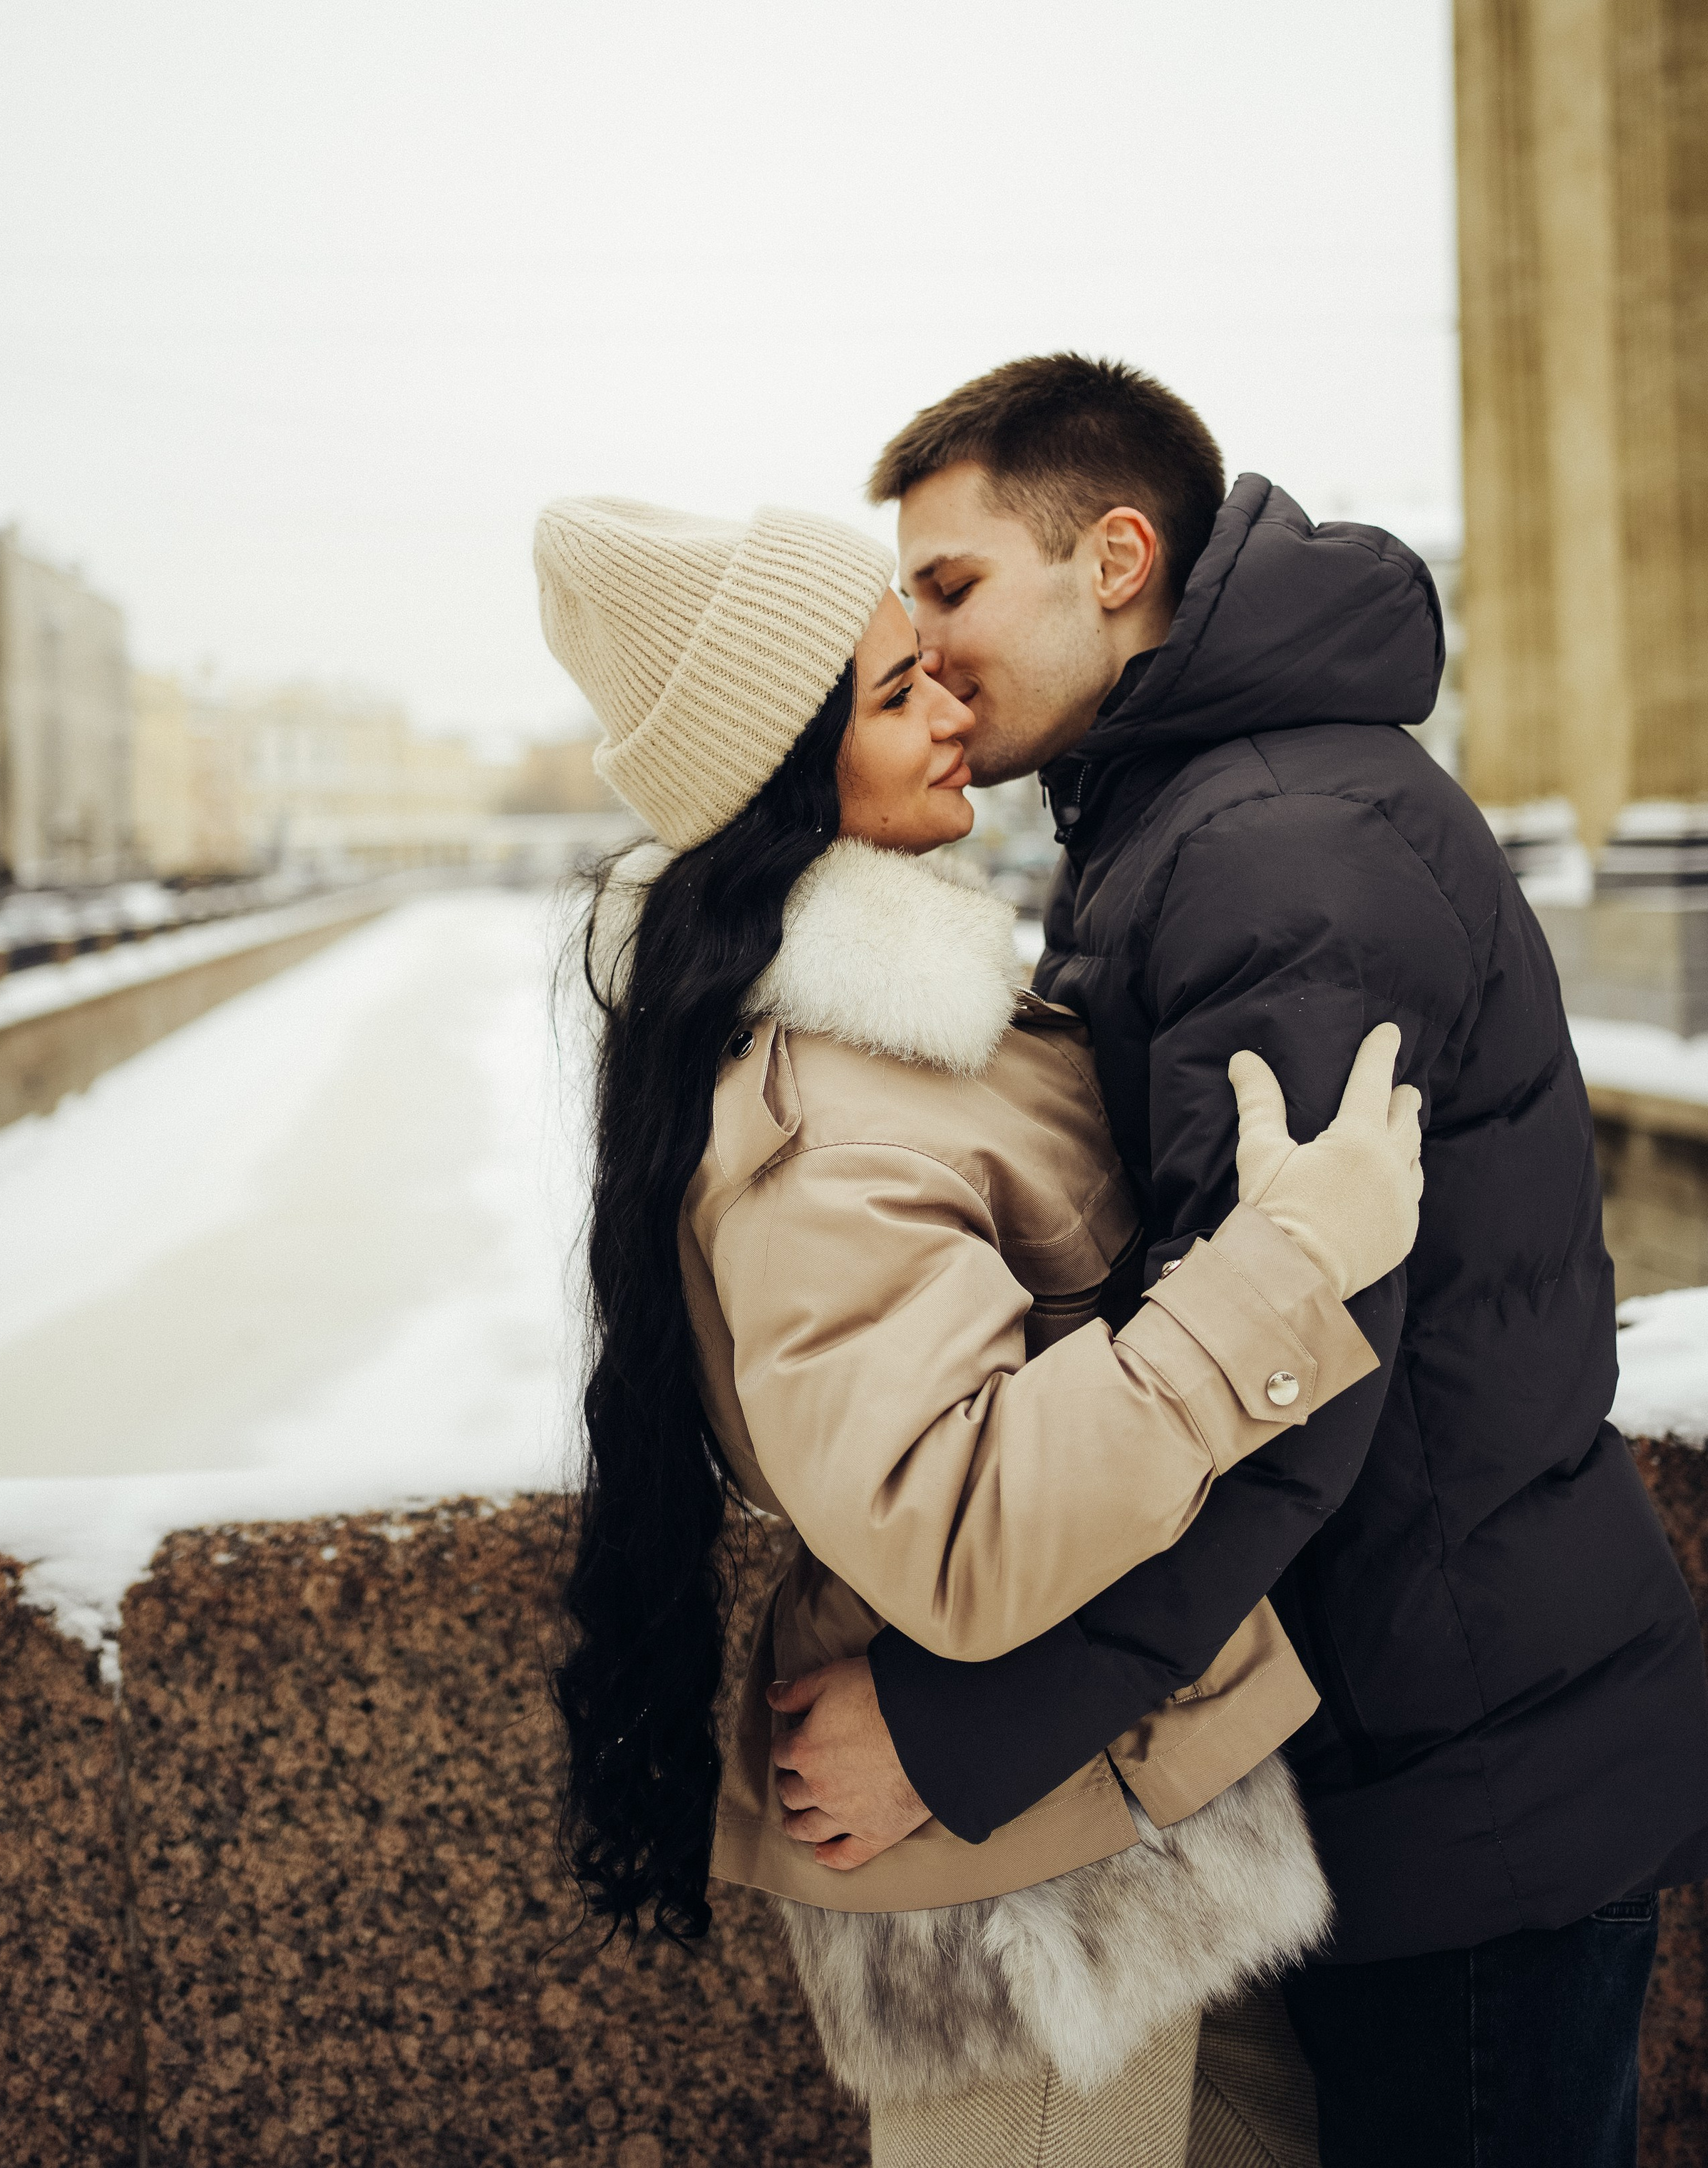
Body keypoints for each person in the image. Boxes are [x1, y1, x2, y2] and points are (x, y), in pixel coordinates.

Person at [770, 354, 1708, 2168]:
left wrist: (960, 1732)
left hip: (1456, 1775)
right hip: (1420, 1736)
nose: (924, 646)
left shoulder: (1274, 856)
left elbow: (1289, 1385)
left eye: (951, 585)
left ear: (1114, 558)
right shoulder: (1191, 815)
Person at [533, 493, 1424, 2168]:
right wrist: (1290, 1261)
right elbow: (956, 1531)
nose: (952, 701)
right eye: (895, 692)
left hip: (1093, 1819)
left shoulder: (904, 1032)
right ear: (789, 784)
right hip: (1023, 1911)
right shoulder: (829, 1121)